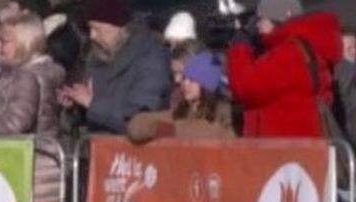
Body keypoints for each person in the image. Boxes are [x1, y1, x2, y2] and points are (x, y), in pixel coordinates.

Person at [0, 13, 64, 202]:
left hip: (30, 169)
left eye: (4, 41)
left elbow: (16, 123)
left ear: (26, 43)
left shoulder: (25, 78)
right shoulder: (31, 73)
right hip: (42, 165)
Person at [226, 0, 343, 138]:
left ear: (277, 20)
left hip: (286, 149)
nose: (257, 26)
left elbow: (245, 87)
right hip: (295, 147)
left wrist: (240, 48)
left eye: (261, 19)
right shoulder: (301, 48)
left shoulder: (290, 54)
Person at [58, 0, 170, 134]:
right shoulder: (97, 56)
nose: (92, 36)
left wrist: (92, 104)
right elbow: (90, 115)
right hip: (97, 147)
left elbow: (140, 120)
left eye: (97, 29)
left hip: (133, 150)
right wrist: (75, 107)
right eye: (90, 28)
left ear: (117, 27)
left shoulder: (151, 59)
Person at [127, 50, 235, 141]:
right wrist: (153, 128)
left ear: (206, 85)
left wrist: (171, 131)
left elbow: (213, 133)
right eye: (185, 78)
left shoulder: (223, 115)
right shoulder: (181, 111)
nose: (185, 83)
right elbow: (136, 125)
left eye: (192, 80)